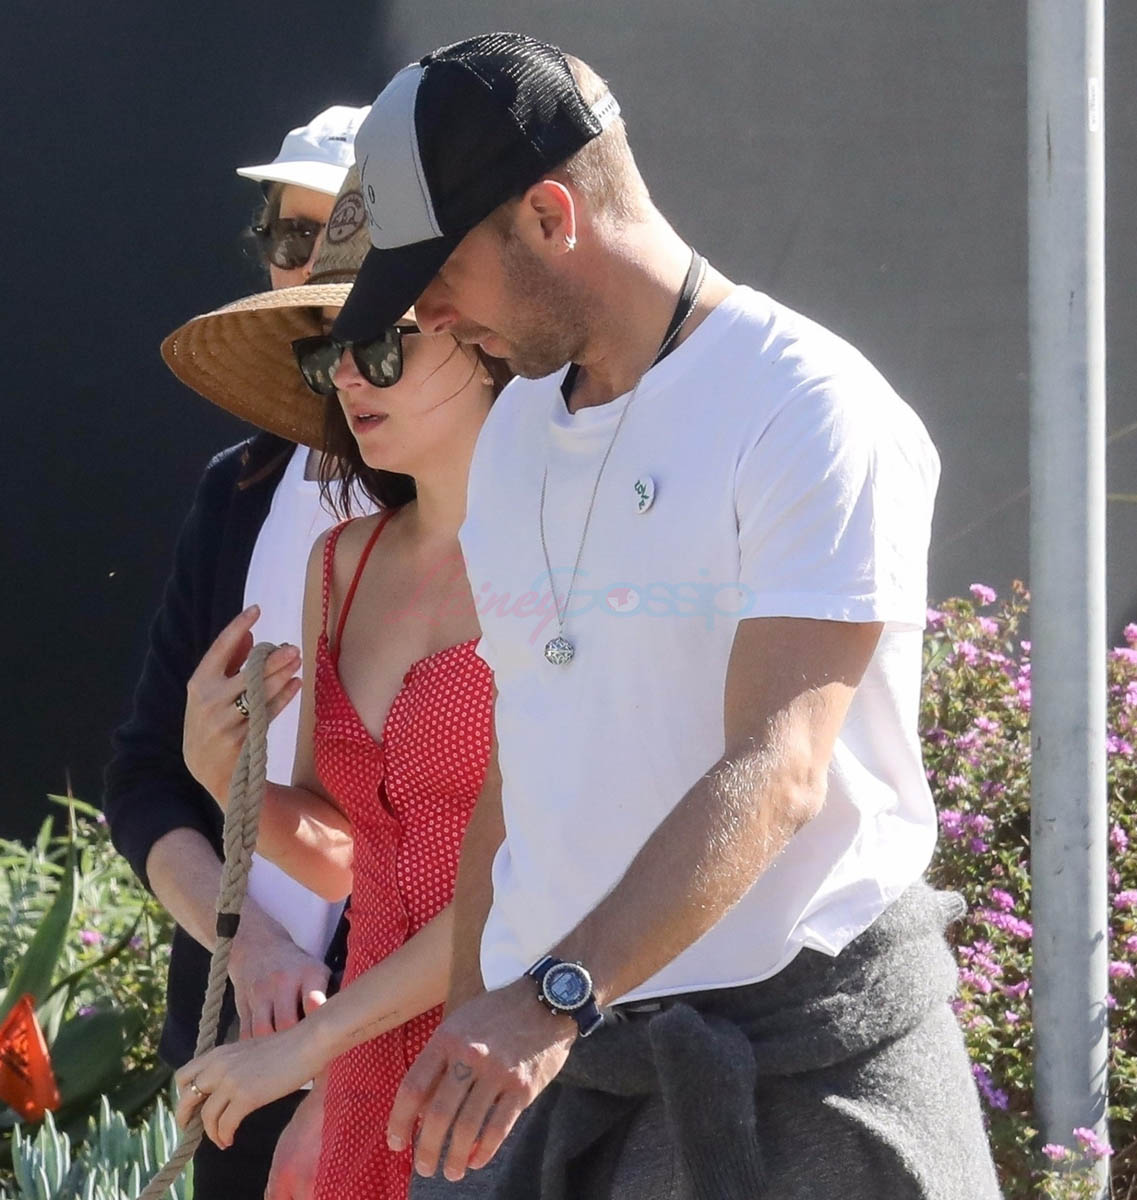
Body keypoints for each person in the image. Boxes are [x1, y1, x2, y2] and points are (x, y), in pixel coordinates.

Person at [327, 32, 1003, 1199]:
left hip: (803, 1067)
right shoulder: (514, 433)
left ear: (550, 215)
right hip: (564, 1074)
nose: (427, 313)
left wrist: (550, 1000)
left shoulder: (810, 408)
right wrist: (484, 1004)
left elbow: (780, 765)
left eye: (441, 271)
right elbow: (521, 760)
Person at [164, 164, 513, 1200]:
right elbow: (345, 857)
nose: (349, 378)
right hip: (368, 1068)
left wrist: (304, 1055)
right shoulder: (342, 565)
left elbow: (532, 884)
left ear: (481, 343)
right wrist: (224, 773)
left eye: (382, 345)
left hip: (500, 1064)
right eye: (328, 354)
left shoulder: (569, 567)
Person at [103, 103, 369, 1199]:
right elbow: (144, 780)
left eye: (338, 234)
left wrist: (337, 1060)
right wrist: (248, 944)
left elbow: (451, 846)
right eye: (286, 234)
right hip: (233, 1054)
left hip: (400, 1064)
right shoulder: (242, 487)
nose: (304, 266)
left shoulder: (477, 506)